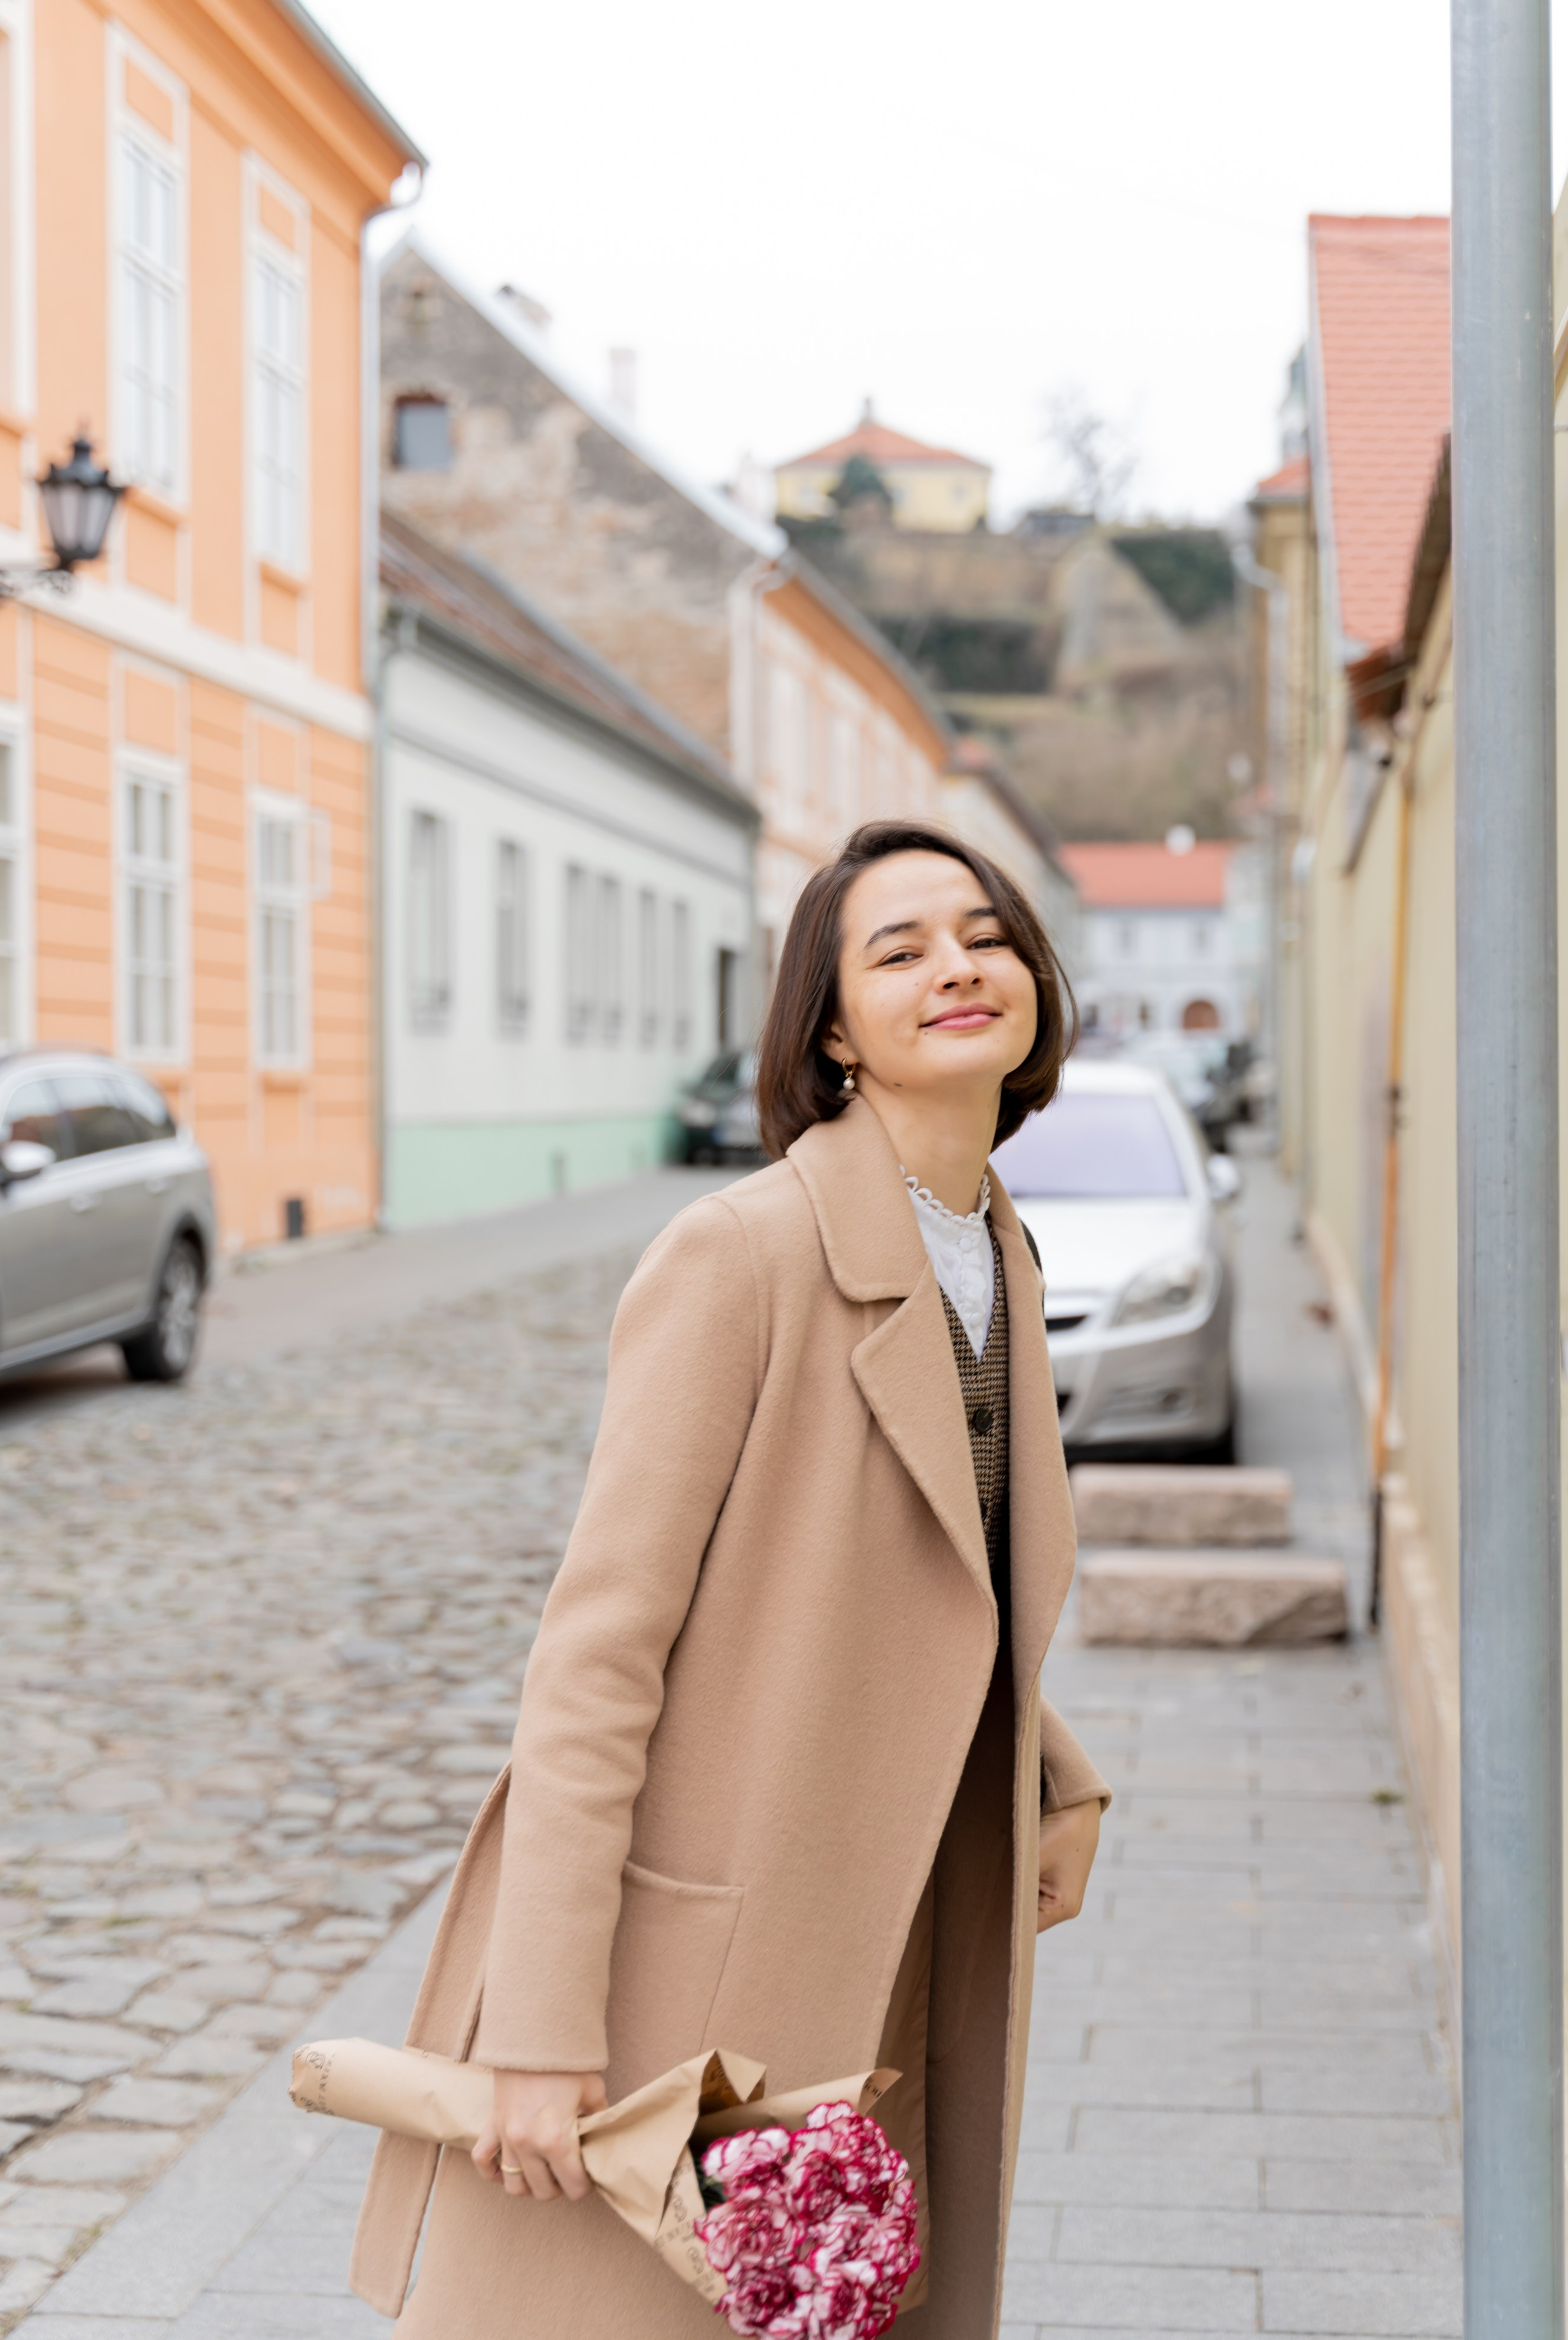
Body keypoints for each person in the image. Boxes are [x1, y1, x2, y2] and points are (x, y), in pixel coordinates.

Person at [350, 821, 1110, 2339]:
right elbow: (595, 1655)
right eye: (897, 951)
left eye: (984, 937)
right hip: (697, 1982)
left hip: (892, 1919)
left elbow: (948, 1568)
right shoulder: (742, 1255)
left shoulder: (992, 1250)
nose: (957, 967)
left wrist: (1052, 1780)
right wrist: (544, 2021)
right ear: (829, 1029)